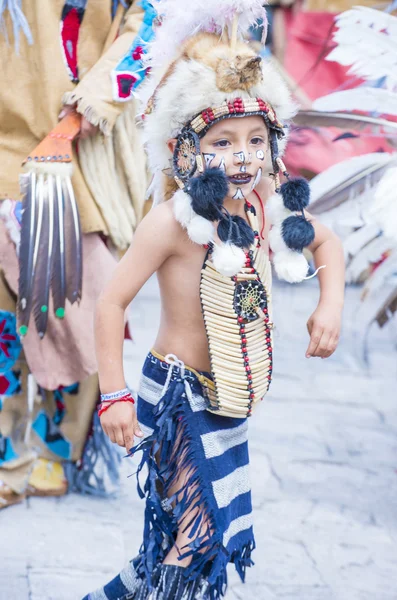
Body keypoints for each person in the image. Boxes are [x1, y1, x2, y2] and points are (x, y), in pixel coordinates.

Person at [85, 2, 345, 599]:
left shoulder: (266, 207)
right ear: (186, 152)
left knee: (193, 535)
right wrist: (114, 395)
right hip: (177, 397)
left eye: (256, 139)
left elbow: (329, 244)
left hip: (233, 395)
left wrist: (328, 304)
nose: (243, 156)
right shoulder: (171, 224)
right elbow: (109, 304)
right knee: (197, 537)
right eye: (223, 141)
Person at [0, 0, 152, 508]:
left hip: (74, 146)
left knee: (75, 302)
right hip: (10, 141)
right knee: (3, 313)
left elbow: (148, 24)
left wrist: (87, 107)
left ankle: (56, 446)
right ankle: (7, 453)